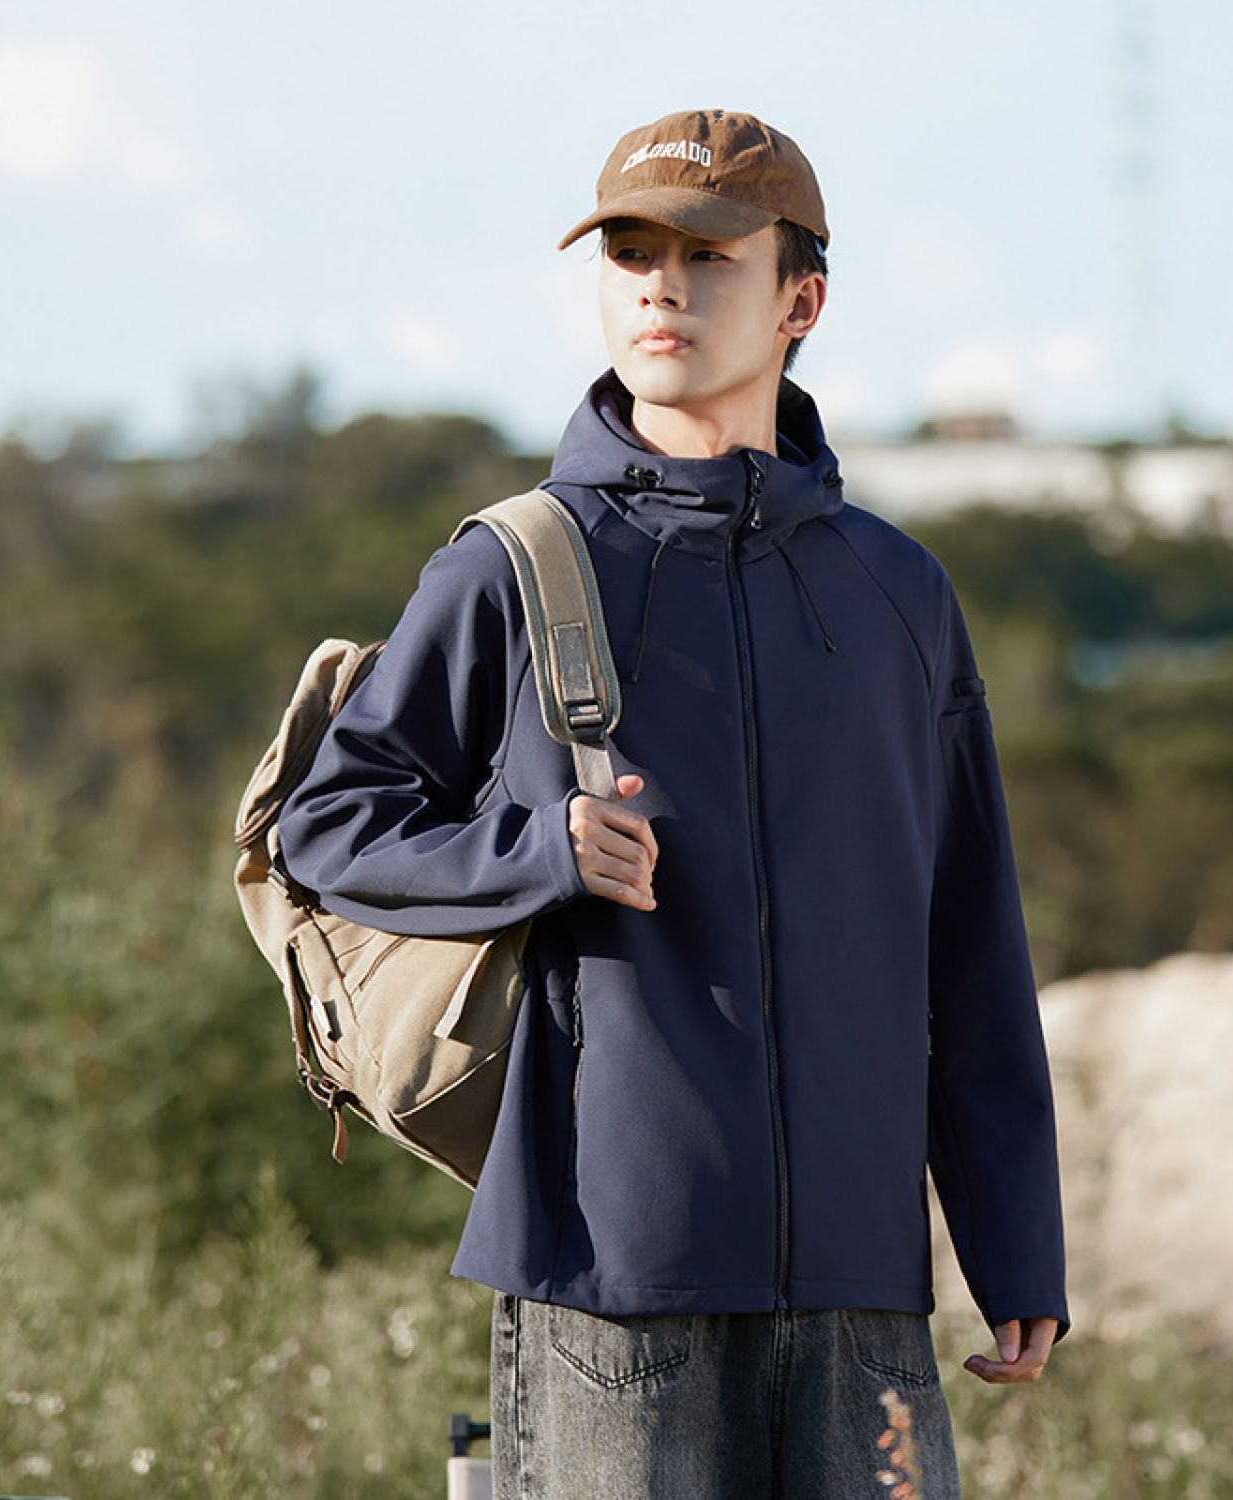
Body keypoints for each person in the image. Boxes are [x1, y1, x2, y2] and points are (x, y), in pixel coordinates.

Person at [276, 107, 1070, 1500]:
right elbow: (329, 826)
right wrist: (536, 851)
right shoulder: (513, 565)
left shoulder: (899, 593)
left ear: (799, 302)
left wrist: (1016, 1247)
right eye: (631, 253)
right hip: (609, 1277)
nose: (661, 286)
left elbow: (970, 942)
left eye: (708, 256)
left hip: (864, 1288)